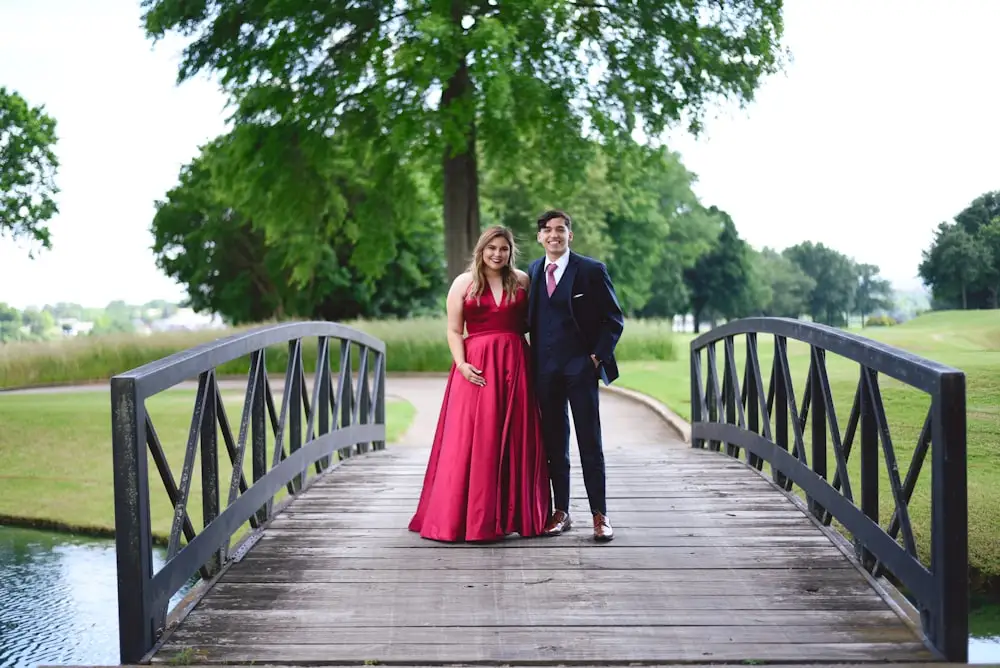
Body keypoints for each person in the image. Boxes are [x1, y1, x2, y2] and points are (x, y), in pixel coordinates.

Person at [408, 225, 551, 542]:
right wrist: (461, 364)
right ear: (481, 250)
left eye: (504, 249)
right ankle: (468, 520)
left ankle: (514, 516)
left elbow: (540, 322)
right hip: (476, 368)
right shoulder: (464, 282)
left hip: (515, 364)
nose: (498, 254)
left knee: (516, 437)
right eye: (492, 248)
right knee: (474, 439)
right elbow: (454, 330)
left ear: (511, 251)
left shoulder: (523, 281)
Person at [527, 209, 625, 542]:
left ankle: (600, 514)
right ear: (540, 237)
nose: (554, 235)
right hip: (545, 370)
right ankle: (561, 511)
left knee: (589, 442)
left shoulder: (591, 270)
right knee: (555, 443)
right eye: (547, 230)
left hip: (580, 368)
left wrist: (596, 357)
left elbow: (614, 320)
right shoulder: (533, 271)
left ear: (570, 235)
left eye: (560, 229)